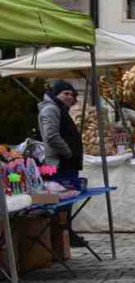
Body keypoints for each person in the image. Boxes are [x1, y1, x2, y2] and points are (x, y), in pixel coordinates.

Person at [38, 80, 87, 247]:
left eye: (72, 94)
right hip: (58, 163)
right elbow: (51, 135)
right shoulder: (51, 109)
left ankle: (65, 234)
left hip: (65, 163)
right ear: (56, 94)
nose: (69, 97)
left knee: (66, 200)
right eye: (66, 93)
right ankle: (59, 236)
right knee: (59, 199)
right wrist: (68, 151)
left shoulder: (59, 109)